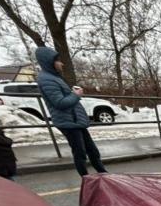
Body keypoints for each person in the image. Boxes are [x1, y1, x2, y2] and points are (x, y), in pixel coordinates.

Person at [35, 46, 107, 176]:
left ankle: (104, 174)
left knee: (92, 150)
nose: (61, 64)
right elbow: (60, 103)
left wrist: (72, 93)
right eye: (58, 61)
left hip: (75, 120)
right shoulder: (46, 79)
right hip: (68, 122)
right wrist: (76, 95)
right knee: (80, 153)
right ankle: (86, 179)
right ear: (50, 62)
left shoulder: (53, 77)